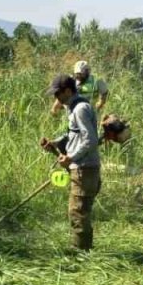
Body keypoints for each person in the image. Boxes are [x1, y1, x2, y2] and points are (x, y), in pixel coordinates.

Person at [40, 74, 101, 251]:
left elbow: (90, 140)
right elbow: (73, 135)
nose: (56, 98)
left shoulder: (80, 108)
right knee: (79, 212)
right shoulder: (73, 108)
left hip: (85, 168)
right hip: (81, 168)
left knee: (78, 212)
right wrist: (55, 143)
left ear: (67, 91)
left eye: (58, 93)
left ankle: (80, 253)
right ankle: (83, 249)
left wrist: (71, 157)